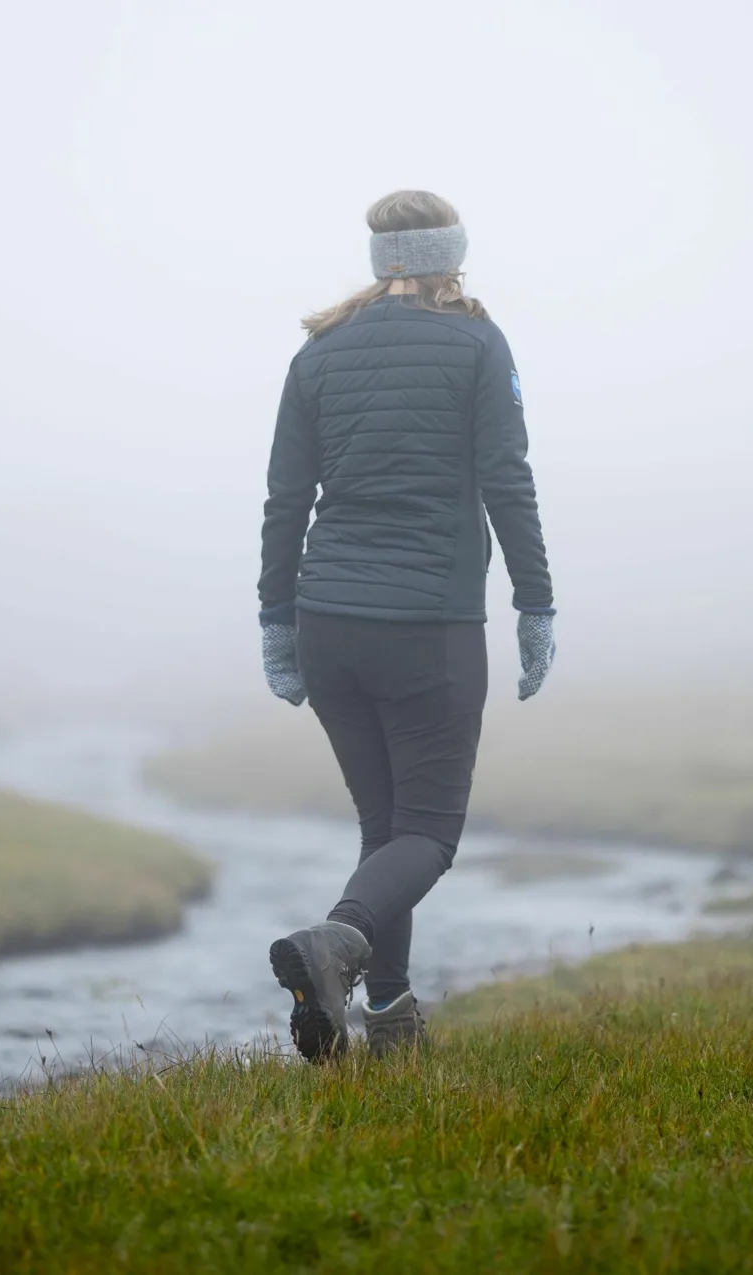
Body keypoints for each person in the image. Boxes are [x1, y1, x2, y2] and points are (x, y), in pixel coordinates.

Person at [257, 190, 556, 1061]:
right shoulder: (475, 343)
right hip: (429, 627)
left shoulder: (319, 352)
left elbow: (286, 499)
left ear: (381, 260)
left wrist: (277, 619)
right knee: (429, 832)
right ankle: (339, 940)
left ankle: (386, 1015)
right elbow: (509, 480)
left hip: (328, 621)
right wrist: (534, 603)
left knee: (386, 825)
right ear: (449, 258)